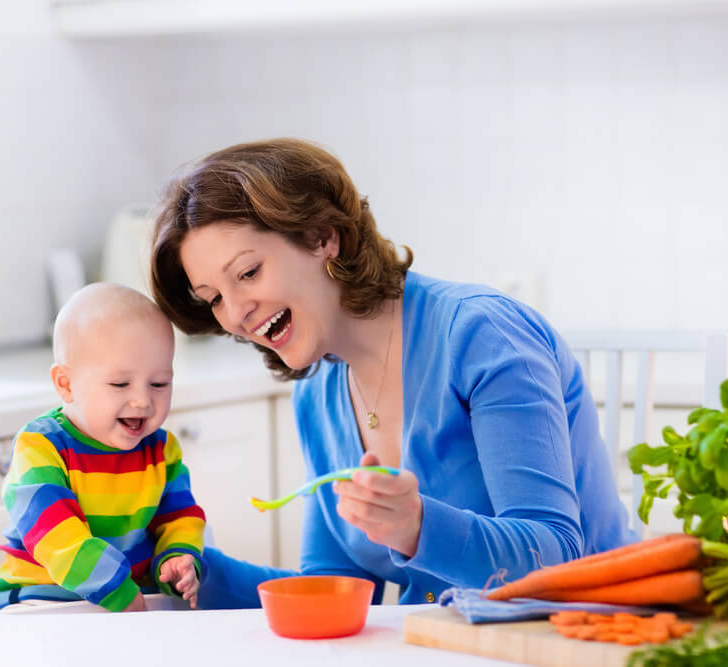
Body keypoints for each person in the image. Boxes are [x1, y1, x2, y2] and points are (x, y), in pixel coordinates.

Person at [148, 138, 636, 608]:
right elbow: (332, 586)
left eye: (248, 273)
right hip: (445, 645)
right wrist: (195, 571)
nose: (236, 313)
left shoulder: (481, 335)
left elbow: (556, 555)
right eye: (213, 297)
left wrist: (418, 526)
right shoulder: (317, 393)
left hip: (594, 634)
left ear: (322, 237)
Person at [0, 283, 206, 612]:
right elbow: (58, 539)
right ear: (66, 384)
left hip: (135, 598)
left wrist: (178, 557)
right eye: (120, 384)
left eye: (159, 383)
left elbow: (179, 518)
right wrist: (118, 591)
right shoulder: (41, 446)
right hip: (42, 602)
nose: (143, 400)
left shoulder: (162, 449)